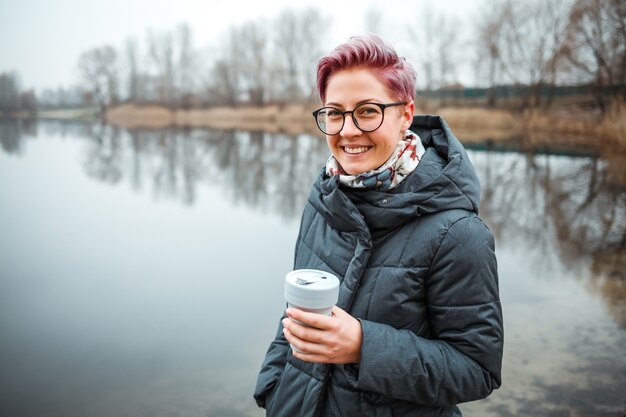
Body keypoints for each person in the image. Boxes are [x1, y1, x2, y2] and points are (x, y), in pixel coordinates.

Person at [254, 34, 503, 417]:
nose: (347, 130)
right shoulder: (324, 200)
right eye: (334, 112)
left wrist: (362, 346)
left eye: (367, 111)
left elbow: (477, 370)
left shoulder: (458, 233)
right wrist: (272, 391)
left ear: (405, 114)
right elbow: (295, 315)